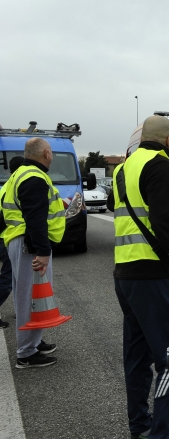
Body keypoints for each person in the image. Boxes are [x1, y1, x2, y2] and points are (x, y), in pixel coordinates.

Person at [113, 115, 169, 439]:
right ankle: (160, 431)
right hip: (154, 276)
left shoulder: (122, 169)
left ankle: (141, 425)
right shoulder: (163, 165)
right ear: (168, 140)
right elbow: (164, 222)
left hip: (125, 275)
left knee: (137, 358)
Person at [3, 139, 65, 368]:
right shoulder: (34, 178)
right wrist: (42, 250)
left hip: (20, 241)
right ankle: (26, 353)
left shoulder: (19, 175)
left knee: (33, 296)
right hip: (28, 244)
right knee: (29, 297)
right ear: (46, 153)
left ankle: (33, 343)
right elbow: (35, 218)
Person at [0, 156, 25, 328]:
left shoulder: (5, 187)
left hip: (4, 236)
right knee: (10, 279)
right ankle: (22, 312)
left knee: (12, 278)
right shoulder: (18, 186)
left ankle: (20, 311)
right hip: (7, 238)